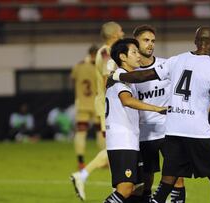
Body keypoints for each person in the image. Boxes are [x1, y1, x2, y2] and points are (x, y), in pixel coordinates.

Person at [112, 26, 210, 203]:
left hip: (173, 131)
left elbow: (143, 76)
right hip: (197, 133)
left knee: (167, 182)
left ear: (195, 42)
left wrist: (118, 76)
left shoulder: (176, 60)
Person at [103, 38, 167, 203]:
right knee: (125, 189)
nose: (139, 56)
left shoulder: (126, 80)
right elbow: (127, 100)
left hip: (131, 140)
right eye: (134, 52)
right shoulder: (120, 79)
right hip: (121, 141)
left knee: (137, 189)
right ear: (123, 57)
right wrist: (157, 109)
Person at [70, 21, 124, 201]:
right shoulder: (107, 53)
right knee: (113, 149)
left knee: (116, 148)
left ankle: (125, 184)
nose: (123, 32)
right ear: (115, 34)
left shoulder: (108, 52)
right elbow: (106, 81)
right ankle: (82, 175)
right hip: (109, 107)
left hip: (108, 106)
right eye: (121, 30)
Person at [132, 24, 186, 203]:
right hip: (144, 133)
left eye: (153, 41)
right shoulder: (130, 73)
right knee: (146, 180)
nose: (150, 44)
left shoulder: (167, 65)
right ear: (135, 43)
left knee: (177, 175)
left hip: (169, 130)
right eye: (145, 40)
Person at [71, 44, 102, 169]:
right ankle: (105, 160)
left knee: (81, 133)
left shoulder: (78, 66)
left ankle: (80, 161)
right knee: (101, 132)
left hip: (82, 103)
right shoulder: (99, 66)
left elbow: (72, 80)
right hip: (97, 104)